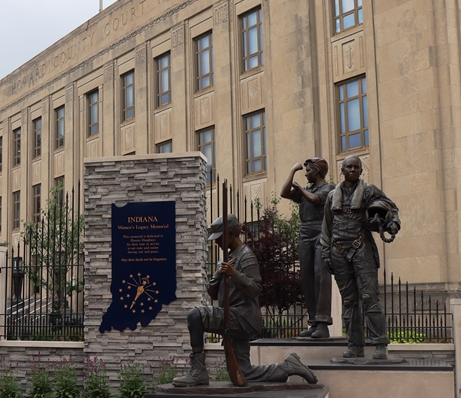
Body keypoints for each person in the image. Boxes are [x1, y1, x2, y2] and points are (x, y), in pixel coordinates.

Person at [172, 213, 318, 386]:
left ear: (232, 233)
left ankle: (199, 371)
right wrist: (218, 275)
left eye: (219, 238)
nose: (216, 242)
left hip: (244, 316)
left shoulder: (246, 256)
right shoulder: (224, 259)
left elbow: (255, 289)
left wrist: (234, 274)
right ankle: (288, 366)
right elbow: (212, 294)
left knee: (195, 315)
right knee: (243, 373)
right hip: (232, 315)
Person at [320, 156, 401, 360]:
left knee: (369, 297)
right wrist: (326, 253)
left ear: (361, 171)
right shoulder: (331, 196)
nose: (353, 170)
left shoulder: (369, 190)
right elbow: (326, 228)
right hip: (338, 251)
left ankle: (380, 344)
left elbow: (391, 208)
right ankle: (355, 345)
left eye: (356, 167)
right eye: (349, 167)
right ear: (342, 169)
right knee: (349, 301)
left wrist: (392, 223)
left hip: (361, 248)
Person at [281, 158, 335, 339]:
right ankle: (313, 322)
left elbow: (314, 199)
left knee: (321, 275)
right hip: (305, 231)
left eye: (308, 171)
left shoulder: (328, 189)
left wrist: (300, 188)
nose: (306, 174)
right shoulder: (306, 190)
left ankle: (323, 323)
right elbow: (283, 192)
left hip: (321, 230)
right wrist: (292, 170)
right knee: (306, 275)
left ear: (318, 172)